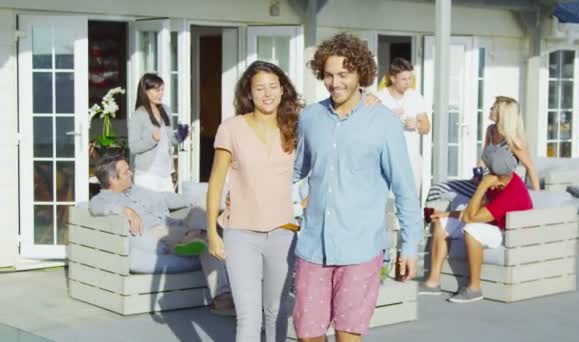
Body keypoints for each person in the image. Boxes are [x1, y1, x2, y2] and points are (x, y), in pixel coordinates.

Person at [292, 32, 423, 342]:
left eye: (343, 74)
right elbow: (294, 172)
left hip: (360, 248)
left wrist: (409, 246)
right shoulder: (310, 117)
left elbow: (404, 188)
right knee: (307, 334)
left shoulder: (383, 122)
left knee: (347, 336)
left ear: (360, 73)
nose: (334, 82)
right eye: (328, 75)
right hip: (312, 248)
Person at [206, 61, 303, 342]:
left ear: (283, 89)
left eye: (273, 86)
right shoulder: (232, 128)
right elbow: (215, 183)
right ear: (250, 92)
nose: (267, 93)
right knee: (248, 316)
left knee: (276, 311)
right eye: (260, 88)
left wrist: (365, 96)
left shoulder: (295, 127)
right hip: (240, 234)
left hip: (284, 232)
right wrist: (213, 232)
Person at [88, 154, 233, 315]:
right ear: (112, 180)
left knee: (205, 202)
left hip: (178, 226)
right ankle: (222, 298)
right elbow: (95, 207)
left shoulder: (138, 191)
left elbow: (165, 198)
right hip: (161, 234)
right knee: (210, 242)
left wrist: (193, 201)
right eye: (126, 171)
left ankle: (198, 235)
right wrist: (125, 210)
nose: (131, 173)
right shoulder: (103, 199)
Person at [419, 145, 533, 303]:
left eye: (487, 168)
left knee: (471, 230)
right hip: (491, 224)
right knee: (442, 223)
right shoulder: (497, 183)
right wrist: (445, 214)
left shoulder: (511, 192)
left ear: (494, 172)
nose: (484, 170)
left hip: (508, 234)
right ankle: (433, 282)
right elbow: (472, 213)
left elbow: (470, 218)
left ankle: (474, 288)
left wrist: (482, 187)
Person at [426, 96, 540, 204]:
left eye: (493, 108)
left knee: (459, 196)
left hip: (497, 187)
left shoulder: (514, 140)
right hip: (481, 182)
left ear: (502, 113)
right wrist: (476, 175)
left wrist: (536, 197)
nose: (490, 110)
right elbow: (484, 159)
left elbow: (530, 167)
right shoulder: (491, 130)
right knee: (436, 189)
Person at [376, 58, 431, 199]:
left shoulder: (415, 96)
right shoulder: (380, 97)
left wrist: (417, 125)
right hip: (385, 159)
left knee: (410, 199)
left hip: (411, 160)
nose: (408, 83)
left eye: (410, 78)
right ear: (393, 78)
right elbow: (369, 127)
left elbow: (427, 127)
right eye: (404, 79)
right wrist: (388, 117)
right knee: (385, 201)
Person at [128, 73, 185, 192]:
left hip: (166, 174)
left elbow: (169, 139)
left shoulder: (166, 110)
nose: (161, 93)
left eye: (162, 90)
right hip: (147, 175)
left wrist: (180, 136)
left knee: (168, 209)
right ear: (145, 91)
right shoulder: (138, 115)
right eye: (157, 90)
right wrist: (152, 140)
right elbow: (133, 147)